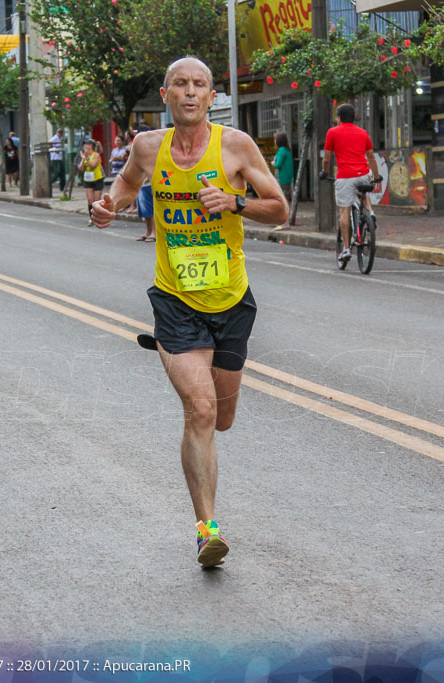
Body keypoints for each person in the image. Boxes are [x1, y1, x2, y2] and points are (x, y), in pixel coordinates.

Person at [90, 56, 289, 568]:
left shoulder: (237, 146)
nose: (191, 93)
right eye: (181, 84)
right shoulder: (148, 147)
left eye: (200, 85)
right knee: (198, 409)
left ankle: (187, 359)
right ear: (166, 93)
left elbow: (280, 208)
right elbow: (127, 187)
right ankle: (208, 530)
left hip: (230, 297)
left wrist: (234, 203)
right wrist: (107, 207)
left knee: (222, 419)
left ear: (212, 95)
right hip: (175, 298)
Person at [320, 103, 382, 266]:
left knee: (344, 211)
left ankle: (346, 248)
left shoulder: (332, 132)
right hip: (364, 174)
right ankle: (370, 212)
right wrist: (376, 176)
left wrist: (325, 173)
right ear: (354, 117)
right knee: (363, 191)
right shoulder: (363, 133)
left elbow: (327, 158)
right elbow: (371, 156)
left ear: (339, 118)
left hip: (345, 176)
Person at [78, 139, 103, 225]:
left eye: (86, 146)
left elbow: (93, 166)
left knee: (96, 201)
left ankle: (98, 218)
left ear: (90, 147)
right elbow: (81, 168)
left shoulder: (96, 155)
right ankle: (91, 218)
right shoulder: (84, 156)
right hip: (88, 180)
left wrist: (86, 158)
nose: (85, 148)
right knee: (90, 200)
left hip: (97, 179)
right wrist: (83, 159)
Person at [273, 131, 294, 203]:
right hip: (288, 177)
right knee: (286, 195)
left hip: (283, 177)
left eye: (275, 139)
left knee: (282, 197)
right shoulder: (287, 150)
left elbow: (278, 164)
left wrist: (273, 163)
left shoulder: (281, 150)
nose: (274, 141)